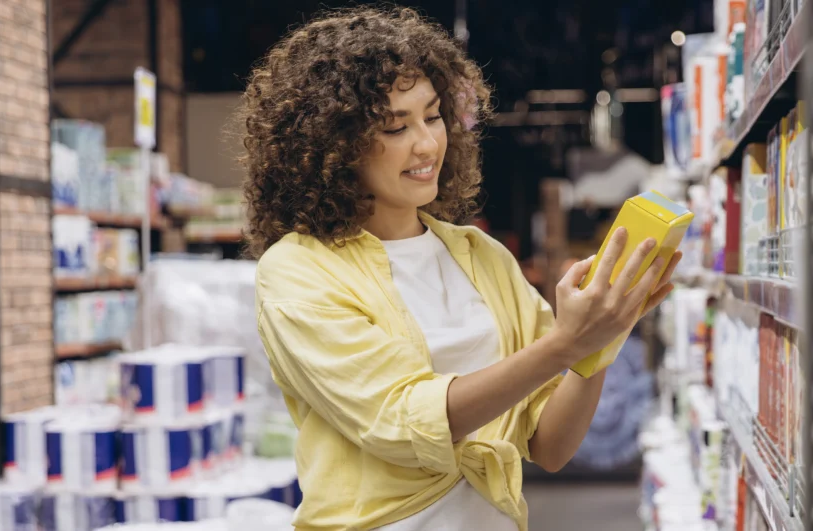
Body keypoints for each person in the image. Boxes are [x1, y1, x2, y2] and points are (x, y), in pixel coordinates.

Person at [239, 7, 681, 531]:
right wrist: (563, 344)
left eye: (432, 115)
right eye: (395, 127)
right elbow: (405, 424)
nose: (427, 144)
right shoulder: (298, 271)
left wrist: (601, 337)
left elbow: (551, 446)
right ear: (332, 145)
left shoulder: (480, 255)